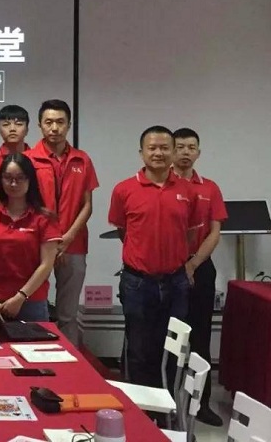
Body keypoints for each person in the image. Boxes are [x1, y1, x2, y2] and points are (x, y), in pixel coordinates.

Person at [108, 125, 201, 389]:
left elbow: (190, 234)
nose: (158, 153)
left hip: (176, 281)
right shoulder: (124, 189)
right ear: (141, 153)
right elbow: (123, 230)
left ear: (173, 152)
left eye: (164, 148)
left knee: (173, 350)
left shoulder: (188, 191)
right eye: (152, 148)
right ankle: (142, 406)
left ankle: (169, 402)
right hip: (137, 282)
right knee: (139, 349)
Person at [25, 100, 98, 346]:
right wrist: (52, 238)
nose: (54, 128)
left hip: (73, 244)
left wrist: (67, 237)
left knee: (68, 313)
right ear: (39, 125)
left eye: (60, 122)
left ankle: (70, 361)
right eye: (48, 122)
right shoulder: (28, 160)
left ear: (69, 125)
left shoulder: (82, 160)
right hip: (37, 245)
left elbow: (87, 205)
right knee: (34, 306)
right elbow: (25, 204)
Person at [173, 127, 227, 426]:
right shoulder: (163, 186)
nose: (185, 152)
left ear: (198, 152)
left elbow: (215, 232)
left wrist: (192, 265)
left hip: (200, 267)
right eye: (180, 146)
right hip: (166, 268)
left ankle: (200, 404)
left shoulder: (210, 188)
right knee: (166, 337)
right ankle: (166, 403)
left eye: (191, 147)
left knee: (200, 338)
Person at [0, 154, 61, 322]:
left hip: (31, 300)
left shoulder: (44, 218)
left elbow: (46, 264)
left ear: (30, 180)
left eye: (20, 178)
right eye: (8, 178)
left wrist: (20, 297)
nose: (13, 184)